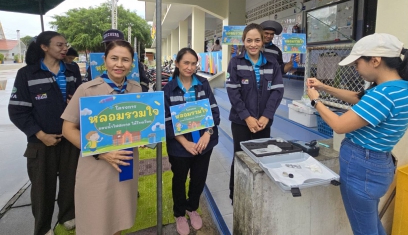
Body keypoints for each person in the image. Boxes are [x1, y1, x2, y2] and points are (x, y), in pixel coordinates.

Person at [306, 33, 408, 235]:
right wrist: (324, 87)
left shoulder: (384, 94)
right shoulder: (400, 88)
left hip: (363, 166)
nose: (356, 68)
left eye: (357, 63)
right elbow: (358, 98)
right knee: (370, 224)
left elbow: (339, 125)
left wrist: (316, 100)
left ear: (375, 61)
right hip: (378, 165)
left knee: (364, 230)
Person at [62, 40, 142, 235]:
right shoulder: (87, 90)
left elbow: (138, 125)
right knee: (96, 221)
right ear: (104, 60)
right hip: (97, 166)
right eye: (114, 58)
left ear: (132, 63)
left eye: (125, 60)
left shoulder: (136, 89)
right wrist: (102, 152)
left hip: (125, 163)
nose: (119, 64)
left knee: (119, 218)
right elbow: (67, 128)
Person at [8, 31, 81, 235]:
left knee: (70, 181)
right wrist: (40, 135)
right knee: (42, 188)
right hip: (41, 142)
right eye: (59, 45)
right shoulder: (27, 74)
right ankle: (42, 227)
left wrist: (76, 101)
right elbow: (17, 110)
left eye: (65, 44)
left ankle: (67, 215)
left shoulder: (72, 70)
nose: (64, 48)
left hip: (70, 138)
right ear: (44, 47)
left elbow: (80, 98)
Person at [163, 48, 220, 235]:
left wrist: (207, 134)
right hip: (180, 148)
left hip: (205, 144)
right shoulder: (168, 89)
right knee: (179, 179)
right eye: (185, 63)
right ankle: (179, 213)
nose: (189, 67)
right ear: (177, 64)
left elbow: (214, 113)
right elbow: (166, 121)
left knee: (198, 179)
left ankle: (192, 208)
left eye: (193, 63)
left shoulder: (203, 84)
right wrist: (184, 142)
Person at [226, 23, 284, 203]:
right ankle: (236, 195)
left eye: (257, 40)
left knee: (261, 157)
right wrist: (247, 117)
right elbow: (233, 92)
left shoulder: (272, 63)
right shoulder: (236, 62)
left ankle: (257, 194)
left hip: (263, 122)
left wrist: (266, 116)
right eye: (249, 40)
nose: (253, 44)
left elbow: (277, 91)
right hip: (241, 122)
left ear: (262, 42)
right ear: (243, 41)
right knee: (241, 158)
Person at [84, 29, 149, 92]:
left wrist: (137, 95)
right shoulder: (94, 64)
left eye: (117, 43)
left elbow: (144, 82)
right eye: (108, 44)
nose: (119, 64)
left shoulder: (135, 64)